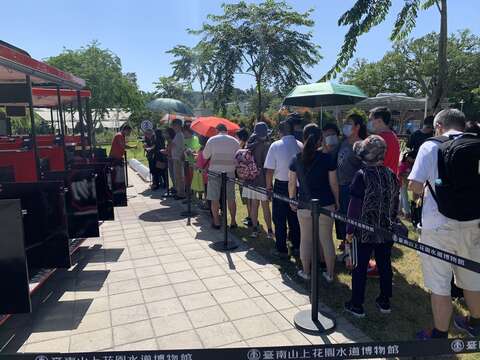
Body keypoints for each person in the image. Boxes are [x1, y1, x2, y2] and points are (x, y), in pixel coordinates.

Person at [408, 109, 480, 339]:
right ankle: (475, 322)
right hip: (473, 222)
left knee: (439, 283)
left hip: (438, 226)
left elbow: (415, 186)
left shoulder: (430, 146)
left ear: (439, 125)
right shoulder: (476, 145)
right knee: (471, 278)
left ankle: (439, 334)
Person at [344, 135, 400, 317]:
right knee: (385, 265)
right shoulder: (391, 174)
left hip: (364, 231)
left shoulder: (361, 175)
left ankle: (357, 304)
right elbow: (395, 203)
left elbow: (354, 207)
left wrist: (349, 231)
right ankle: (385, 301)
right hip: (386, 230)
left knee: (359, 267)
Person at [288, 124, 339, 282]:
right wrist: (337, 201)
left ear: (303, 138)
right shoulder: (327, 158)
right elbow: (333, 183)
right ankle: (330, 274)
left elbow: (291, 183)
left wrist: (292, 199)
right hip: (326, 204)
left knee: (305, 239)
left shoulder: (296, 159)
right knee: (327, 239)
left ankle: (306, 271)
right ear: (320, 140)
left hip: (304, 204)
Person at [264, 117, 302, 258]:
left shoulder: (275, 145)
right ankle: (297, 246)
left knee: (279, 219)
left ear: (280, 132)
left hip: (281, 185)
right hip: (297, 186)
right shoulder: (300, 145)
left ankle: (281, 249)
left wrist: (268, 188)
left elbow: (269, 170)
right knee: (295, 219)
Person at [336, 114, 367, 250]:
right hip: (339, 186)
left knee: (351, 217)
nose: (346, 125)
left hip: (352, 187)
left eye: (350, 123)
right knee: (341, 215)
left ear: (357, 127)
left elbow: (364, 167)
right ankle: (344, 240)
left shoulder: (361, 145)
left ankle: (352, 242)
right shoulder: (343, 142)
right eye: (346, 122)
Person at [203, 123, 240, 229]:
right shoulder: (234, 141)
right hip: (230, 172)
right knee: (231, 198)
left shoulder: (211, 140)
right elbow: (238, 157)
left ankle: (216, 222)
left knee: (214, 198)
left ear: (216, 130)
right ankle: (233, 221)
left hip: (214, 171)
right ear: (226, 130)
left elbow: (205, 155)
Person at [242, 122, 273, 239]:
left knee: (254, 205)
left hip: (250, 178)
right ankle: (270, 231)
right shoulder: (265, 144)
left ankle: (255, 229)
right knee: (265, 206)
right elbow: (268, 165)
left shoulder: (249, 143)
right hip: (263, 179)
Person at [367, 107, 400, 175]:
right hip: (390, 180)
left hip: (379, 181)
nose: (369, 123)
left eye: (370, 120)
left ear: (379, 121)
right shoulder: (393, 136)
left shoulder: (377, 140)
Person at [236, 128, 252, 227]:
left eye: (237, 137)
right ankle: (250, 216)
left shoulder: (244, 148)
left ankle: (251, 217)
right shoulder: (248, 145)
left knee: (247, 198)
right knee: (247, 198)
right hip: (247, 176)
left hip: (244, 177)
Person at [183, 123, 201, 196]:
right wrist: (185, 151)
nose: (184, 133)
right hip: (186, 163)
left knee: (196, 180)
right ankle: (189, 195)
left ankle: (195, 195)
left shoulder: (196, 139)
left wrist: (193, 152)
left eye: (185, 131)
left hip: (195, 163)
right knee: (187, 180)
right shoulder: (183, 140)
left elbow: (198, 150)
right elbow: (182, 150)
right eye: (183, 131)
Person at [171, 119, 185, 199]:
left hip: (178, 158)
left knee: (179, 176)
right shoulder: (178, 134)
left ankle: (181, 193)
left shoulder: (179, 134)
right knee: (178, 176)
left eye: (174, 125)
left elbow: (172, 145)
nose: (173, 127)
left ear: (178, 125)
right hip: (176, 157)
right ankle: (179, 192)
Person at [398, 151, 415, 218]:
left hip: (406, 182)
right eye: (412, 158)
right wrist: (406, 176)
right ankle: (407, 213)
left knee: (402, 197)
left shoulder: (410, 164)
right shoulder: (403, 164)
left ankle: (399, 211)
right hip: (402, 182)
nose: (413, 160)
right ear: (408, 157)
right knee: (405, 197)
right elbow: (399, 174)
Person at [163, 127, 177, 194]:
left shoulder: (172, 140)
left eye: (166, 133)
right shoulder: (168, 140)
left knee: (174, 174)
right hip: (169, 158)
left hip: (172, 158)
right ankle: (174, 186)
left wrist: (165, 151)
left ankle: (176, 187)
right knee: (171, 174)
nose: (164, 134)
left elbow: (170, 148)